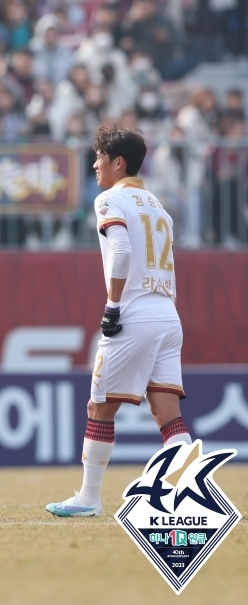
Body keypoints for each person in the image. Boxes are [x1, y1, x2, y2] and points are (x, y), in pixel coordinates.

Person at [47, 127, 192, 518]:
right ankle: (195, 495)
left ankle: (89, 498)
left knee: (99, 409)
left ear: (118, 163)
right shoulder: (158, 206)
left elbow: (123, 251)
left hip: (134, 314)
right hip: (167, 312)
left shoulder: (110, 199)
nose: (94, 164)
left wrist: (112, 306)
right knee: (167, 414)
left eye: (99, 157)